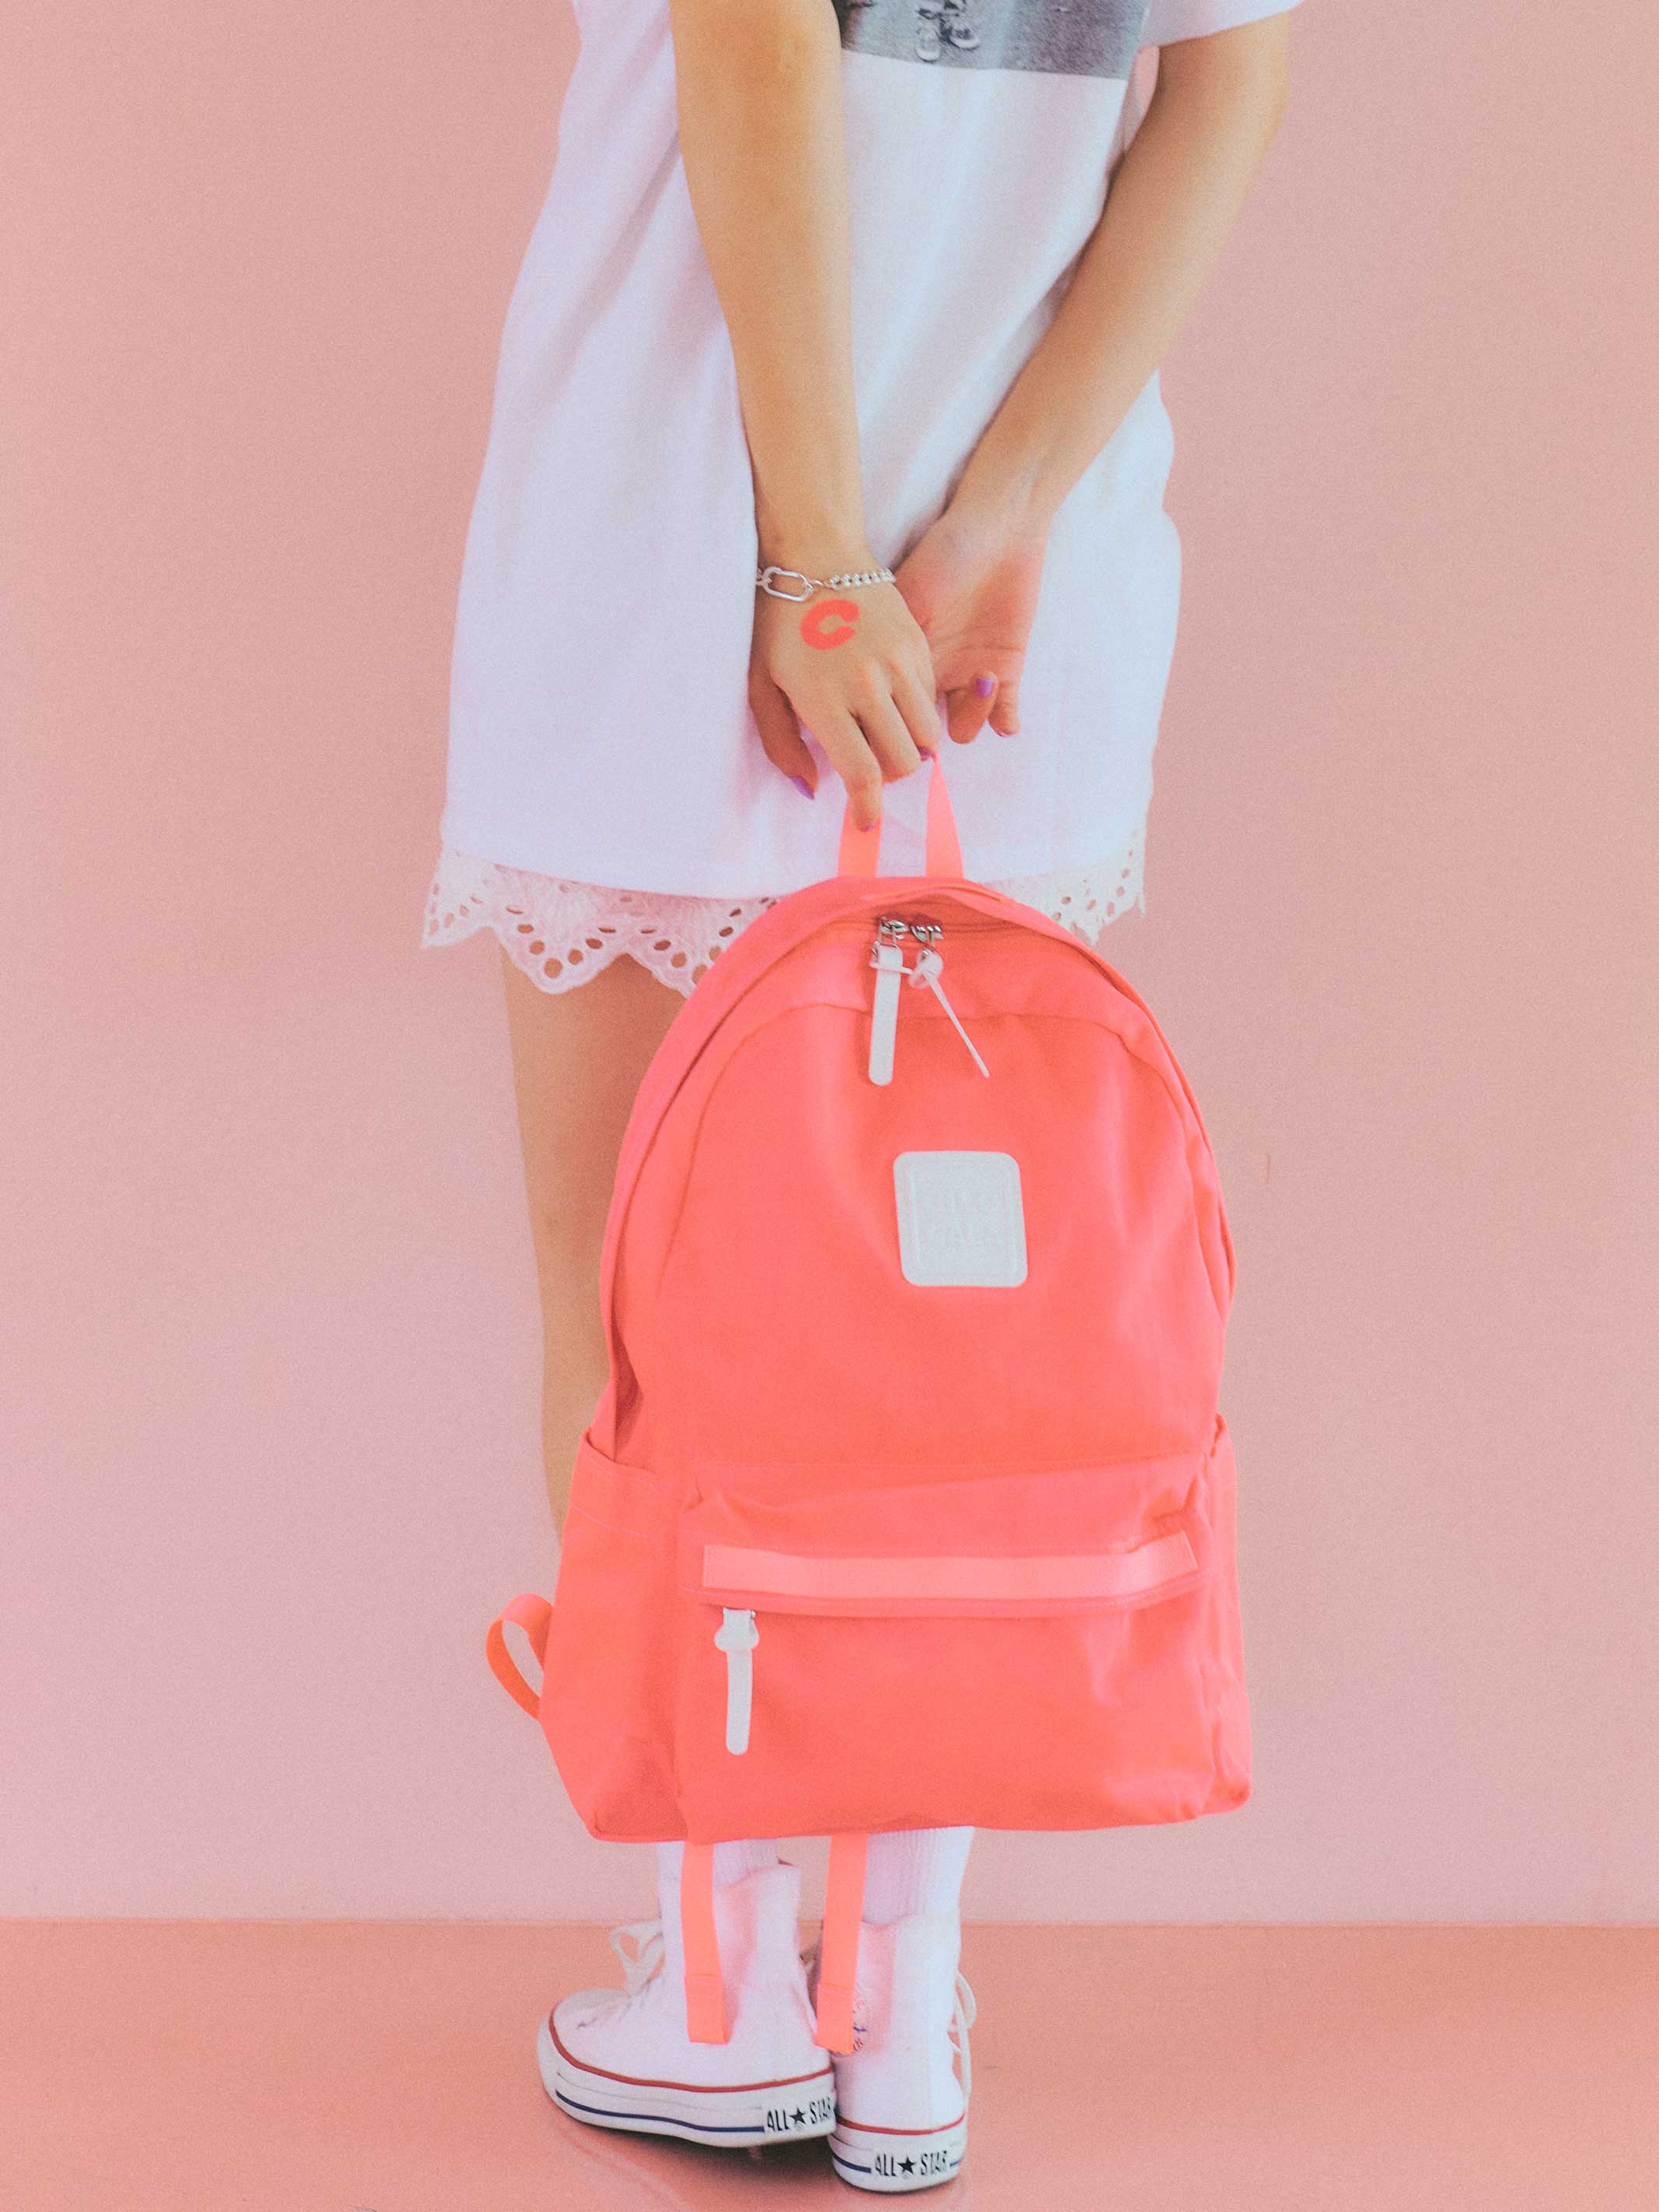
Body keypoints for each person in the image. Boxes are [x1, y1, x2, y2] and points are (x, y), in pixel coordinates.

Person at [422, 0, 1301, 2187]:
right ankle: (899, 2002)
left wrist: (816, 563)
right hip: (1016, 587)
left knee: (638, 1307)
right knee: (949, 1340)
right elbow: (1223, 83)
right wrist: (996, 517)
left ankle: (719, 1995)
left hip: (684, 533)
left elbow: (749, 43)